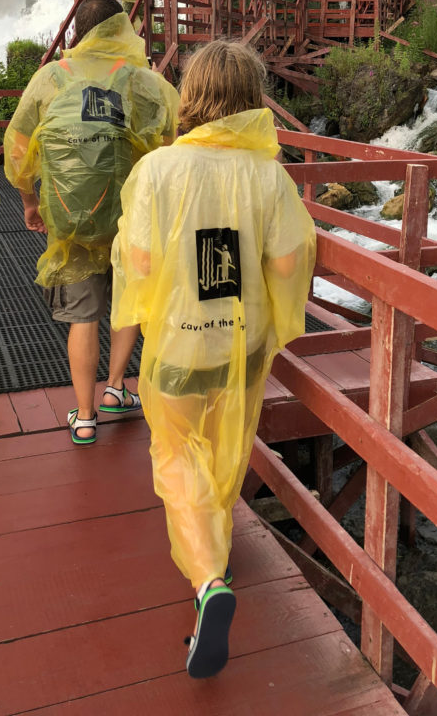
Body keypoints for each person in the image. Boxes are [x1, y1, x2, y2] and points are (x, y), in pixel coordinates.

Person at [111, 40, 316, 678]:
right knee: (226, 449)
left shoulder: (157, 169)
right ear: (253, 99)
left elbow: (139, 262)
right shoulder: (269, 175)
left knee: (177, 457)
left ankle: (208, 581)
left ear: (192, 95)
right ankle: (215, 551)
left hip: (178, 347)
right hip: (243, 347)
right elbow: (290, 262)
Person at [4, 0, 179, 445]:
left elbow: (18, 149)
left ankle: (84, 416)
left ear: (78, 33)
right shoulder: (143, 81)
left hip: (71, 220)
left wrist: (30, 201)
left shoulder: (50, 78)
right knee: (127, 302)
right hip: (132, 217)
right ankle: (116, 387)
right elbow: (170, 143)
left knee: (83, 318)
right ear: (122, 29)